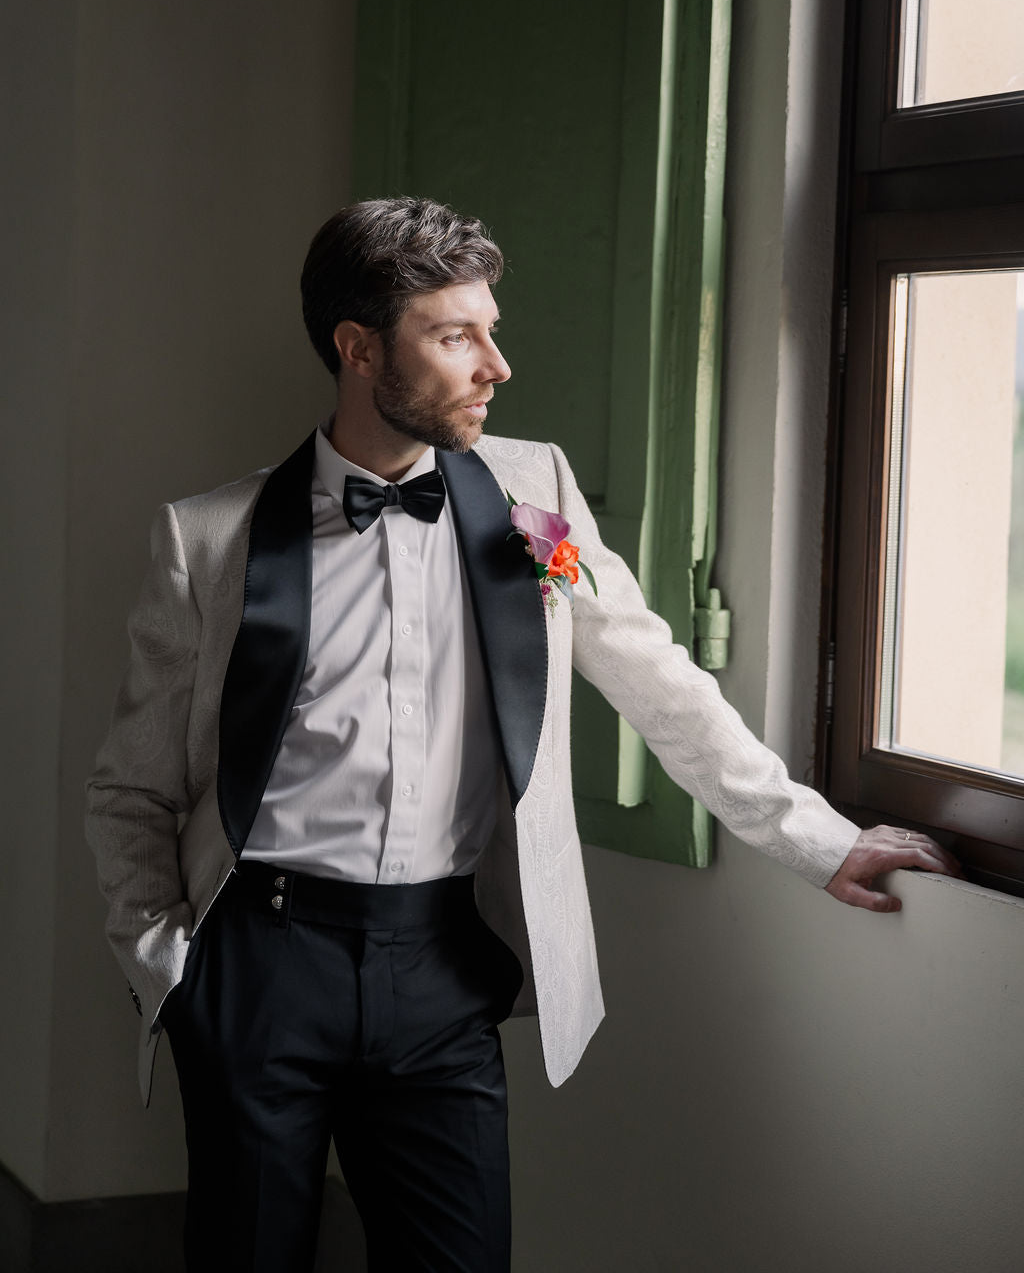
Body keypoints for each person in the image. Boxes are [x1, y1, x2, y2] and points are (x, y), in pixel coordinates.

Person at [85, 196, 959, 1273]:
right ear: (359, 351)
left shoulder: (531, 494)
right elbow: (131, 791)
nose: (495, 365)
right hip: (261, 965)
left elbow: (650, 674)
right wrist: (172, 969)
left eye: (489, 329)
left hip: (442, 969)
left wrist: (816, 840)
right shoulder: (207, 539)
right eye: (456, 337)